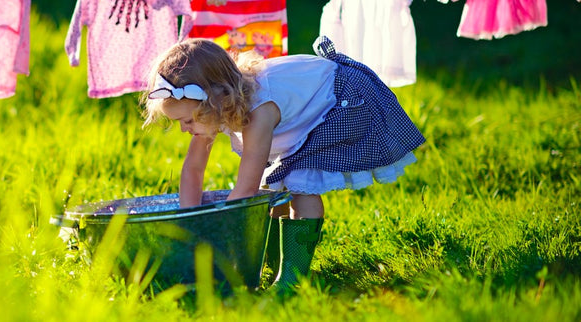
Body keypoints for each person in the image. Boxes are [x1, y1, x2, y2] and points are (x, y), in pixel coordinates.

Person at [140, 36, 425, 292]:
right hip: (305, 107)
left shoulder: (259, 110)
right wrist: (190, 224)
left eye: (187, 121)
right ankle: (274, 263)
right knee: (273, 187)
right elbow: (193, 169)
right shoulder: (212, 107)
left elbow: (246, 188)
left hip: (340, 99)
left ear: (215, 101)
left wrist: (223, 240)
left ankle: (293, 275)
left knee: (299, 184)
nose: (184, 129)